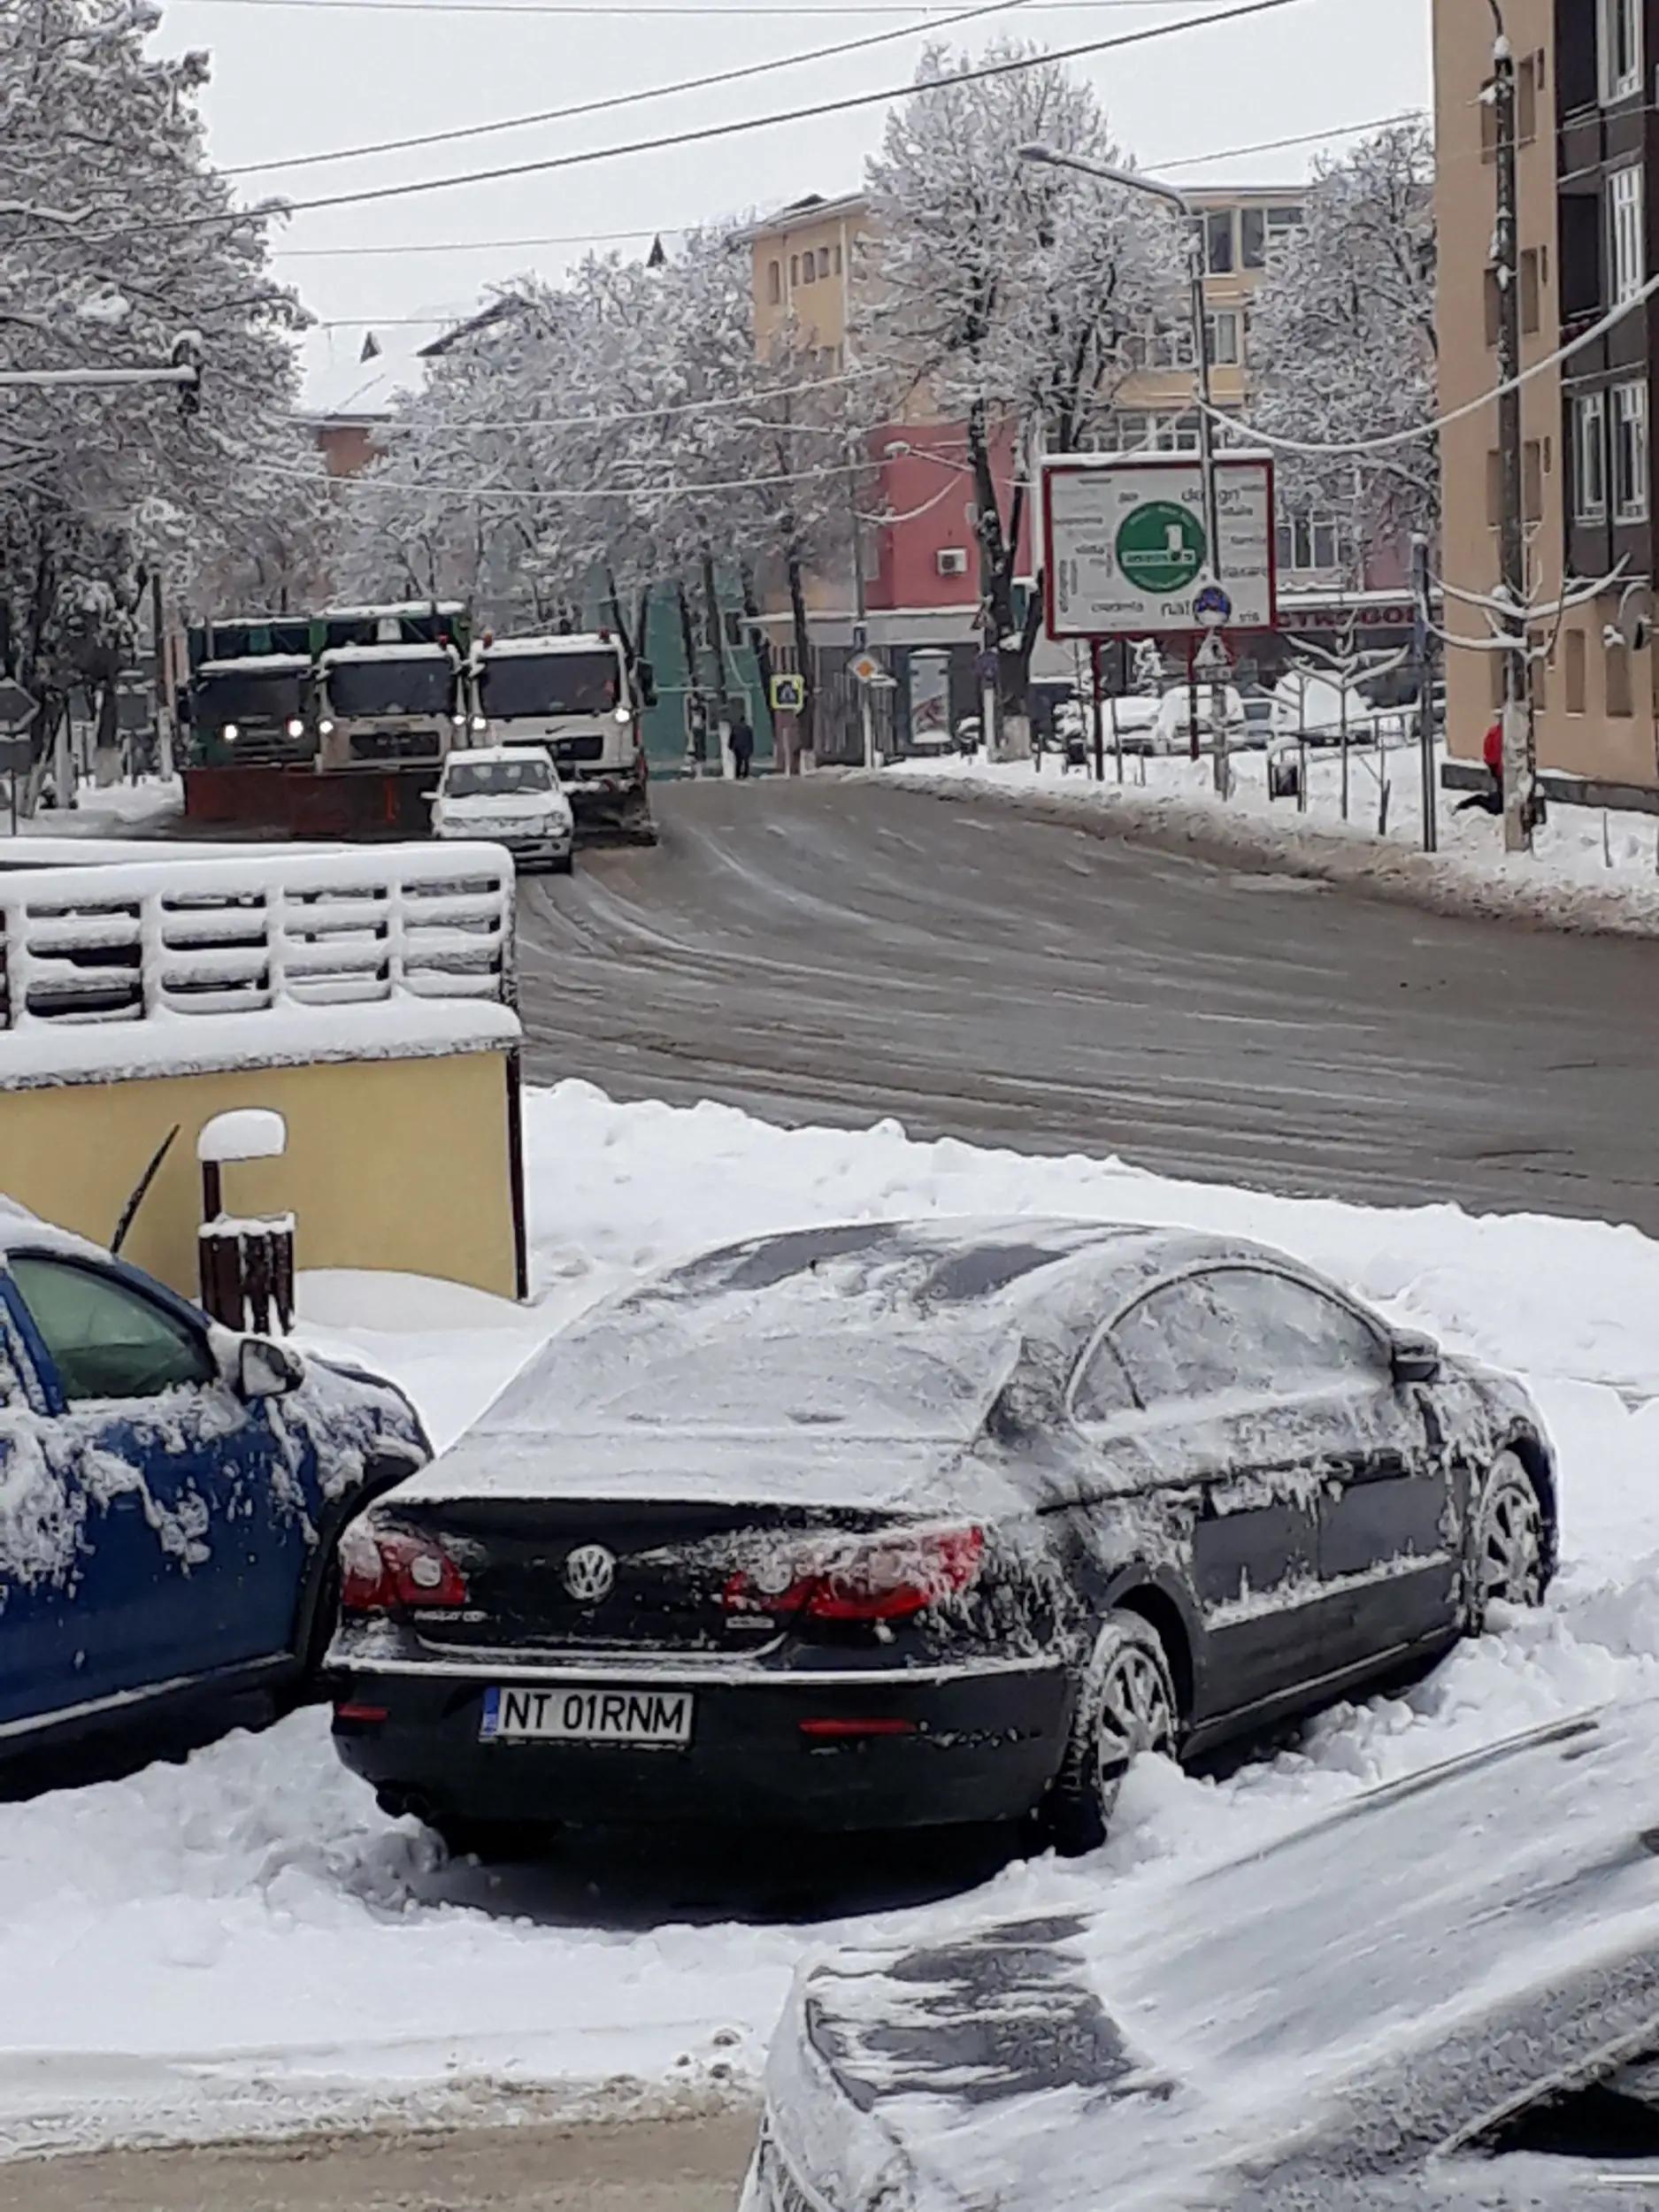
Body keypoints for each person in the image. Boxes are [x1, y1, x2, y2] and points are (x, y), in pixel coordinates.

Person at [1455, 718, 1504, 815]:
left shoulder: (1493, 731)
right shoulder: (1501, 734)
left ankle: (1463, 805)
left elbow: (1488, 749)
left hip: (1495, 767)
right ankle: (1464, 806)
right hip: (1499, 769)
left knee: (1495, 798)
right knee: (1495, 803)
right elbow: (1496, 752)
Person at [729, 711, 756, 781]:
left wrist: (730, 746)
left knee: (738, 761)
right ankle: (745, 774)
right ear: (744, 720)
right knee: (746, 761)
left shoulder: (735, 728)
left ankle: (737, 774)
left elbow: (731, 737)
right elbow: (751, 739)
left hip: (737, 747)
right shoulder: (748, 728)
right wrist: (751, 748)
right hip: (746, 747)